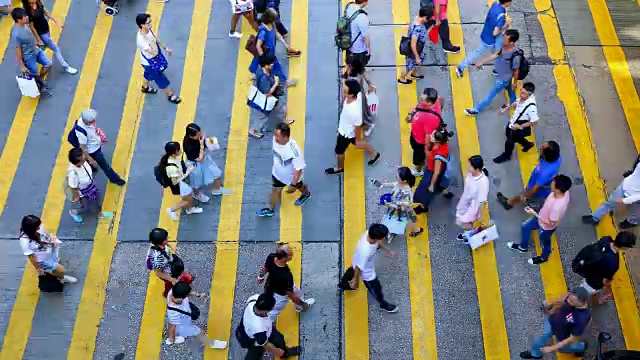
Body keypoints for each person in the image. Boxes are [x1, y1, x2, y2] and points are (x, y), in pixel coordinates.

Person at [507, 174, 572, 265]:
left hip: (545, 226)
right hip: (541, 215)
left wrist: (535, 214)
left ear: (557, 190)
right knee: (525, 227)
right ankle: (523, 247)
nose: (551, 184)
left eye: (553, 183)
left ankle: (543, 257)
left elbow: (552, 223)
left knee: (545, 242)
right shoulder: (564, 192)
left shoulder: (557, 207)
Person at [325, 79, 381, 175]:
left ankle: (340, 168)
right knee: (356, 143)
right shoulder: (357, 95)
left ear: (351, 94)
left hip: (346, 134)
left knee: (339, 151)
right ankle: (374, 154)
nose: (343, 93)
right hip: (345, 129)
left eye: (345, 92)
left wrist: (357, 140)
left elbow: (357, 128)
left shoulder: (355, 112)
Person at [339, 223, 398, 313]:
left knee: (352, 270)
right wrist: (355, 280)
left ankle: (344, 285)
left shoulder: (368, 233)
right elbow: (359, 267)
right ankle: (383, 304)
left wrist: (388, 250)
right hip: (367, 273)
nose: (384, 238)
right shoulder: (365, 251)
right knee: (376, 289)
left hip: (357, 260)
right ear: (378, 237)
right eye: (384, 237)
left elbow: (377, 244)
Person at [257, 123, 311, 217]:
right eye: (275, 135)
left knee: (300, 186)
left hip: (291, 177)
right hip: (277, 174)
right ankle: (270, 209)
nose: (275, 137)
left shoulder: (294, 151)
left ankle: (306, 194)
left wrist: (293, 184)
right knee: (275, 190)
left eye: (277, 136)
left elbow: (298, 169)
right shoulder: (275, 140)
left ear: (285, 137)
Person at [520, 288, 590, 359]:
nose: (568, 300)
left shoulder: (582, 318)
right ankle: (535, 355)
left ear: (581, 303)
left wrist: (552, 348)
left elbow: (572, 338)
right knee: (538, 339)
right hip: (552, 321)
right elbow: (563, 298)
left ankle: (582, 347)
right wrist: (551, 303)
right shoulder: (572, 297)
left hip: (563, 333)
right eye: (569, 297)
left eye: (571, 301)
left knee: (562, 349)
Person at [464, 28, 521, 115]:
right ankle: (515, 104)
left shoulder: (515, 55)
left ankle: (476, 110)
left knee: (490, 96)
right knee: (511, 91)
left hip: (503, 79)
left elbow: (516, 70)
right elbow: (496, 54)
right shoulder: (504, 46)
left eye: (505, 39)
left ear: (511, 42)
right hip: (505, 76)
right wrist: (481, 61)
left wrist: (515, 82)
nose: (502, 40)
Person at [256, 243, 315, 322]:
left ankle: (298, 307)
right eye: (290, 255)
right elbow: (291, 295)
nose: (292, 255)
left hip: (269, 288)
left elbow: (265, 268)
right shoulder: (286, 276)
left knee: (297, 292)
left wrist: (260, 277)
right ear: (284, 258)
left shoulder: (271, 257)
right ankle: (266, 324)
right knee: (273, 312)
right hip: (279, 297)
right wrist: (303, 304)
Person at [497, 140, 561, 210]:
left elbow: (535, 189)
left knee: (520, 195)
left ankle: (509, 203)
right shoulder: (557, 159)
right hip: (546, 187)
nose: (540, 148)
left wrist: (525, 195)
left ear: (546, 155)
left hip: (535, 189)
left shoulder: (544, 173)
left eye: (542, 148)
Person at [455, 0, 512, 78]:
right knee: (479, 52)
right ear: (507, 2)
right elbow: (495, 33)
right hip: (490, 39)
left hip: (486, 32)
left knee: (498, 52)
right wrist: (506, 25)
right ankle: (461, 67)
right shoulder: (501, 16)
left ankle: (497, 69)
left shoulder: (495, 4)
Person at [577, 232, 636, 304]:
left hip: (587, 269)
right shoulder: (613, 264)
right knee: (583, 294)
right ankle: (587, 301)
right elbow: (605, 281)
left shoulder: (606, 239)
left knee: (591, 290)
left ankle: (595, 299)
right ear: (624, 247)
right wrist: (607, 291)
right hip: (593, 282)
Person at [583, 155, 640, 229]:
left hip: (636, 197)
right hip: (625, 186)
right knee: (610, 202)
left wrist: (625, 200)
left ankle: (632, 222)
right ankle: (595, 217)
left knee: (635, 212)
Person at [237, 293, 302, 359]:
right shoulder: (258, 327)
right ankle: (283, 354)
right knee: (255, 354)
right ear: (264, 310)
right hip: (253, 340)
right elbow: (266, 345)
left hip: (260, 330)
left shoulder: (253, 299)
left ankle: (285, 353)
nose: (273, 308)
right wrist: (277, 351)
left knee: (279, 339)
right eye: (272, 308)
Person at [165, 282, 228, 349]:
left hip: (185, 318)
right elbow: (173, 328)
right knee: (201, 332)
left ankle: (174, 339)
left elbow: (187, 292)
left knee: (194, 331)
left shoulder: (174, 291)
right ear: (182, 298)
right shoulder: (173, 313)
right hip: (183, 326)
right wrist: (172, 339)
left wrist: (198, 295)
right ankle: (212, 344)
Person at [135, 13, 181, 104]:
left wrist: (165, 48)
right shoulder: (141, 40)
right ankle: (170, 95)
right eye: (148, 23)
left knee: (148, 74)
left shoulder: (147, 30)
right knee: (160, 78)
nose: (150, 24)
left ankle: (145, 87)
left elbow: (155, 39)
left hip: (152, 60)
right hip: (150, 63)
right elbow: (152, 51)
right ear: (142, 25)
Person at [22, 0, 77, 75]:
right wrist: (38, 39)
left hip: (46, 29)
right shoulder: (28, 12)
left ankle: (32, 59)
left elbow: (47, 13)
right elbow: (32, 27)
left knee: (43, 47)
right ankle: (66, 66)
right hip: (41, 33)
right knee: (56, 48)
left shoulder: (38, 4)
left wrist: (56, 21)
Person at [19, 215, 77, 284]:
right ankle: (61, 278)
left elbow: (45, 234)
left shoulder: (38, 227)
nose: (39, 227)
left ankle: (59, 276)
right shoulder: (24, 241)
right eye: (37, 227)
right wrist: (38, 268)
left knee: (59, 264)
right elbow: (31, 256)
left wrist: (52, 239)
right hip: (43, 260)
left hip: (51, 251)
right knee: (61, 270)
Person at [74, 109, 126, 186]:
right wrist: (90, 159)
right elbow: (83, 147)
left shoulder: (87, 122)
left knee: (97, 163)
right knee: (105, 166)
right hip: (93, 151)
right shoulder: (81, 132)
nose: (94, 122)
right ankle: (115, 179)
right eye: (92, 121)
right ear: (85, 121)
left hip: (96, 146)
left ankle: (92, 167)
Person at [182, 123, 231, 203]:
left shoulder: (197, 137)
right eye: (197, 135)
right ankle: (196, 194)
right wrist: (201, 145)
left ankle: (217, 189)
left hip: (205, 159)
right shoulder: (189, 147)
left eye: (199, 133)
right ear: (190, 136)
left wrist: (207, 141)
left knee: (216, 173)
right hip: (195, 164)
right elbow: (200, 159)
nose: (199, 136)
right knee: (196, 182)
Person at [249, 54, 294, 139]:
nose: (272, 65)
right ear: (266, 65)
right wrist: (276, 83)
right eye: (270, 64)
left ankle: (283, 121)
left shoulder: (261, 70)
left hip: (273, 99)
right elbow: (267, 93)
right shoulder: (263, 79)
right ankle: (253, 131)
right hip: (267, 100)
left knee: (281, 110)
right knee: (262, 117)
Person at [247, 8, 297, 86]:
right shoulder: (263, 31)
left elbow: (276, 33)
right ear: (269, 19)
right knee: (276, 66)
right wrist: (264, 57)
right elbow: (258, 45)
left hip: (269, 50)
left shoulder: (272, 24)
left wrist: (286, 45)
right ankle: (285, 81)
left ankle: (253, 72)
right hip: (267, 52)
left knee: (256, 59)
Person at [10, 7, 52, 95]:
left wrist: (37, 40)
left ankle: (40, 80)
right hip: (28, 57)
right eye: (24, 17)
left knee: (48, 64)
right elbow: (18, 50)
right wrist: (21, 65)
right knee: (34, 74)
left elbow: (31, 29)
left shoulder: (25, 24)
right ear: (18, 20)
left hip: (36, 50)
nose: (27, 17)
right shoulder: (16, 34)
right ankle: (40, 88)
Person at [493, 82, 538, 163]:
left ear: (529, 95)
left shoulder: (531, 107)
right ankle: (527, 144)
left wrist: (520, 127)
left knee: (509, 140)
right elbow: (516, 103)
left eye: (523, 93)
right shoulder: (522, 97)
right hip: (514, 121)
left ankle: (507, 155)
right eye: (521, 91)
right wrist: (505, 110)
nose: (520, 94)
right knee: (509, 133)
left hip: (518, 124)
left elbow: (534, 121)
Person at [413, 127, 454, 214]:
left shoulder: (438, 156)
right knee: (440, 184)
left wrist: (431, 184)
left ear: (437, 141)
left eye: (433, 135)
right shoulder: (444, 142)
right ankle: (445, 192)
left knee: (424, 192)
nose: (431, 135)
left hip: (432, 172)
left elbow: (436, 172)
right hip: (441, 168)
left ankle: (424, 207)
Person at [66, 148, 113, 223]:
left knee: (97, 199)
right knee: (86, 208)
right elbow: (73, 187)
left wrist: (91, 161)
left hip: (91, 185)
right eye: (82, 159)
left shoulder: (83, 161)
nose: (84, 158)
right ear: (77, 163)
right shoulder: (73, 174)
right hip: (84, 192)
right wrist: (77, 197)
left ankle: (99, 214)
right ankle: (74, 212)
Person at [159, 142, 202, 221]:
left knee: (187, 197)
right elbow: (175, 182)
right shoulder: (171, 167)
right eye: (179, 149)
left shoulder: (172, 158)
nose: (181, 151)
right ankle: (172, 210)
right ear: (175, 151)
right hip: (179, 185)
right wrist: (187, 173)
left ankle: (189, 209)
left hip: (182, 183)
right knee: (188, 199)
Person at [376, 167, 423, 237]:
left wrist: (388, 204)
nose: (396, 177)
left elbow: (402, 208)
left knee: (405, 221)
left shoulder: (406, 193)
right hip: (396, 206)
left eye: (397, 177)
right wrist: (382, 185)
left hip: (402, 211)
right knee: (404, 220)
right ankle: (416, 230)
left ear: (404, 181)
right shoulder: (400, 183)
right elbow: (393, 184)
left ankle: (416, 230)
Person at [409, 87, 443, 176]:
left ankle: (418, 170)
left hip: (420, 142)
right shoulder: (437, 100)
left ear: (429, 103)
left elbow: (428, 136)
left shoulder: (430, 118)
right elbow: (441, 99)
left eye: (422, 99)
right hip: (416, 134)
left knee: (418, 157)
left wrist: (427, 150)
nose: (420, 99)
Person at [455, 155, 490, 243]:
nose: (468, 167)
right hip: (466, 201)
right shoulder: (471, 173)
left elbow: (482, 201)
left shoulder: (483, 183)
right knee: (465, 220)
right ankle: (469, 233)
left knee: (465, 223)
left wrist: (481, 216)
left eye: (470, 166)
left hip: (473, 206)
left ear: (477, 169)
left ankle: (470, 235)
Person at [398, 6, 432, 84]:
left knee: (416, 61)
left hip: (417, 47)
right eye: (428, 18)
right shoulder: (418, 28)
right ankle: (402, 79)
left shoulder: (417, 18)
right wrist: (416, 56)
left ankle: (412, 74)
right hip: (414, 49)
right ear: (425, 17)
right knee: (409, 65)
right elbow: (413, 44)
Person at [343, 58, 376, 137]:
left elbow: (367, 80)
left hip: (358, 96)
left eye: (349, 65)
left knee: (361, 112)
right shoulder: (350, 72)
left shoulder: (357, 75)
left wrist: (370, 86)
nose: (347, 67)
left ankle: (368, 125)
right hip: (351, 96)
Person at [147, 228, 182, 297]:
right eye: (166, 238)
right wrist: (171, 279)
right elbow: (159, 273)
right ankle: (166, 294)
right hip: (167, 272)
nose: (168, 239)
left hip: (168, 261)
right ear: (162, 242)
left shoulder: (156, 243)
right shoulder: (158, 258)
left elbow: (166, 244)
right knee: (169, 285)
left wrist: (172, 247)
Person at [344, 0, 371, 71]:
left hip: (348, 44)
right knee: (359, 70)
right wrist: (368, 49)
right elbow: (365, 36)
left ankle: (349, 74)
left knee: (352, 66)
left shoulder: (349, 6)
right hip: (358, 50)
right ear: (365, 2)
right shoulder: (362, 17)